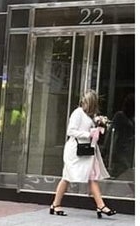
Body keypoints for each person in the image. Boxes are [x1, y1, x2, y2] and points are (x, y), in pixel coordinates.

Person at [50, 90, 116, 218]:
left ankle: (101, 205)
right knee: (67, 176)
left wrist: (98, 128)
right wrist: (88, 134)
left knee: (91, 176)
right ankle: (56, 204)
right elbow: (71, 131)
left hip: (86, 150)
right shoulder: (78, 113)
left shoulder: (89, 115)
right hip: (75, 150)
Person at [109, 93, 134, 179]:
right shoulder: (120, 116)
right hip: (121, 150)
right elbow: (112, 133)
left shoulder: (131, 119)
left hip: (128, 150)